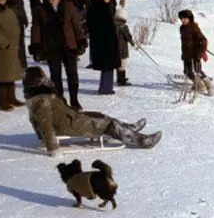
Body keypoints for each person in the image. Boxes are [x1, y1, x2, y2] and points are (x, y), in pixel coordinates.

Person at [24, 66, 161, 156]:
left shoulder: (40, 96)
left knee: (100, 115)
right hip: (68, 125)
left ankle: (130, 128)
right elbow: (45, 124)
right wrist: (52, 147)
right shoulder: (42, 100)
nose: (47, 80)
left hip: (69, 118)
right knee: (108, 125)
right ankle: (142, 140)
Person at [30, 0, 87, 110]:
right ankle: (60, 102)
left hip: (69, 45)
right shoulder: (40, 9)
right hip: (51, 47)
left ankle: (74, 100)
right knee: (55, 76)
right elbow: (36, 28)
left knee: (72, 74)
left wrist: (81, 40)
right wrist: (35, 46)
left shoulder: (68, 6)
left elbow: (77, 25)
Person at [0, 0, 25, 110]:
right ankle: (2, 101)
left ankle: (12, 97)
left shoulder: (7, 9)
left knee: (11, 73)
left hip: (12, 48)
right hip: (0, 49)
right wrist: (4, 44)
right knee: (2, 75)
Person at [86, 0, 120, 95]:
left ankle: (106, 87)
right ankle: (106, 89)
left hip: (102, 42)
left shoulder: (95, 7)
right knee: (108, 66)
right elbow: (104, 26)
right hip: (105, 42)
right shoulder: (101, 8)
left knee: (108, 66)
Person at [178, 9, 214, 95]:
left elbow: (204, 40)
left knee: (198, 70)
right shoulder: (182, 28)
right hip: (187, 53)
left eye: (185, 18)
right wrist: (183, 53)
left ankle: (209, 86)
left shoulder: (194, 28)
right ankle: (199, 86)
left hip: (195, 53)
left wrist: (203, 51)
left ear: (190, 18)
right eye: (181, 18)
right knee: (187, 71)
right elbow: (184, 43)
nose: (183, 20)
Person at [6, 0, 28, 69]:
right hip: (17, 24)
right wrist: (24, 20)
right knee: (19, 45)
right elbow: (20, 11)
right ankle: (21, 64)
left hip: (14, 23)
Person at [114, 7, 135, 86]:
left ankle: (119, 78)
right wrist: (132, 43)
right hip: (122, 49)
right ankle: (121, 80)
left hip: (115, 48)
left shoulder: (112, 25)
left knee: (118, 64)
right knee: (122, 65)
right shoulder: (123, 27)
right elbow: (128, 37)